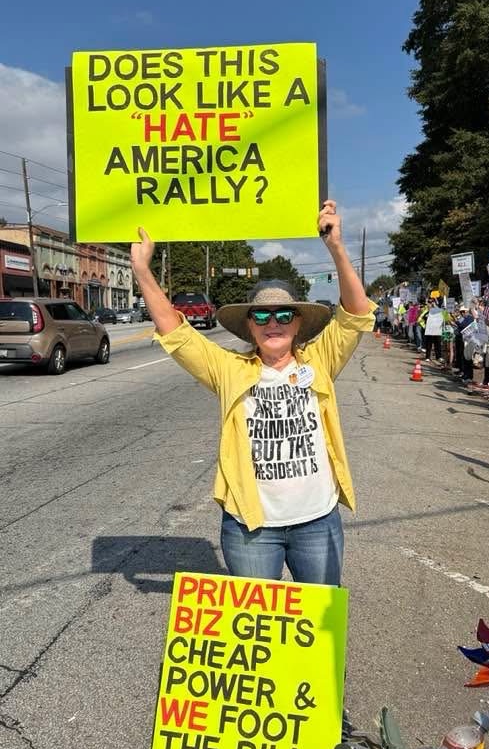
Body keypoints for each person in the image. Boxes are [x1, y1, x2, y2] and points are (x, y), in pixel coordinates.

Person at [130, 200, 376, 586]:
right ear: (250, 326)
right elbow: (176, 334)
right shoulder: (230, 369)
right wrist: (142, 270)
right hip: (250, 526)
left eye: (283, 315)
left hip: (317, 521)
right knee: (257, 623)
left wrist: (336, 247)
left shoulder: (320, 360)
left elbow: (356, 315)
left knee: (318, 621)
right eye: (261, 315)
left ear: (299, 323)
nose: (272, 323)